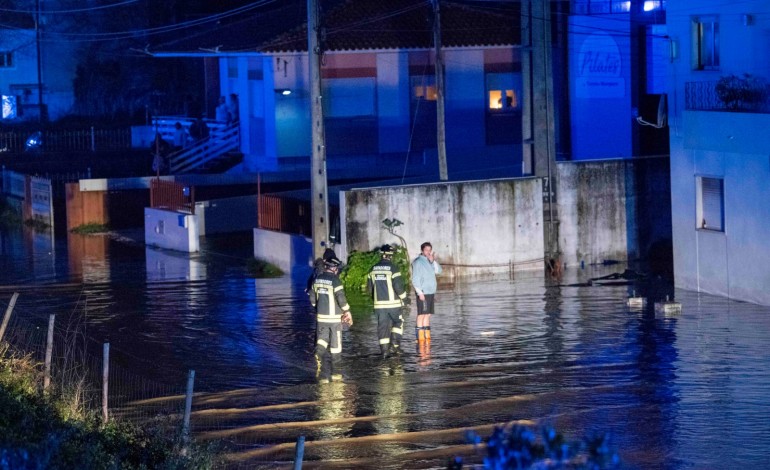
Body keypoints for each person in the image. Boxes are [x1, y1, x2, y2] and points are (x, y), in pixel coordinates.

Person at [309, 256, 352, 383]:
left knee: (322, 339)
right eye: (337, 268)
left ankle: (318, 354)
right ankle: (336, 373)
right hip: (334, 319)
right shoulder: (335, 280)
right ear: (334, 268)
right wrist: (347, 311)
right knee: (336, 344)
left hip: (321, 318)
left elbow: (312, 298)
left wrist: (318, 308)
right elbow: (341, 299)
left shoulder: (317, 279)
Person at [367, 244, 407, 358]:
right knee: (398, 322)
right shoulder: (393, 269)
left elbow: (370, 289)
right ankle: (395, 345)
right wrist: (405, 299)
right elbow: (398, 287)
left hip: (379, 306)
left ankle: (384, 352)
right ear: (390, 256)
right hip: (393, 305)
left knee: (383, 327)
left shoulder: (372, 269)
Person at [411, 241, 442, 343]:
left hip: (431, 291)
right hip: (423, 292)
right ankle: (420, 339)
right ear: (422, 250)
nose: (428, 252)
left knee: (428, 314)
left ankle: (427, 338)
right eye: (426, 250)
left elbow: (439, 271)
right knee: (421, 315)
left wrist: (433, 261)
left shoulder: (430, 261)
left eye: (429, 250)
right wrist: (420, 293)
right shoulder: (418, 262)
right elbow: (415, 279)